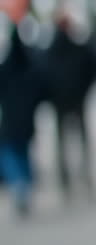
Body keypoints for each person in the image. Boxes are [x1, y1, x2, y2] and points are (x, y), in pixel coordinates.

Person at [43, 11, 96, 201]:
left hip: (63, 101)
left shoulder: (50, 51)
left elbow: (42, 75)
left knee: (63, 140)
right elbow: (93, 68)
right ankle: (81, 173)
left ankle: (66, 174)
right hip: (76, 100)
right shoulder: (77, 48)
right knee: (79, 139)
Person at [0, 21, 45, 219]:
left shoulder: (5, 68)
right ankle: (24, 185)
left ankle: (19, 183)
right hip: (26, 120)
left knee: (10, 152)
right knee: (23, 152)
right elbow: (40, 90)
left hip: (10, 119)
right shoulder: (31, 66)